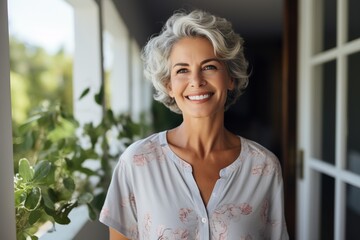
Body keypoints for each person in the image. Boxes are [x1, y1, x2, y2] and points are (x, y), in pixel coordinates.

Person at [99, 9, 289, 240]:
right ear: (169, 85)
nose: (196, 81)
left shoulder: (264, 167)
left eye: (209, 67)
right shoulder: (137, 163)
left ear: (230, 78)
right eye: (182, 70)